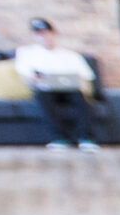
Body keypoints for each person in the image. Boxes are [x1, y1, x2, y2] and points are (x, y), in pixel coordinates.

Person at [13, 18, 99, 151]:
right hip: (45, 90)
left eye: (46, 33)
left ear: (54, 34)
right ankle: (59, 138)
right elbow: (25, 76)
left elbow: (86, 78)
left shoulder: (71, 55)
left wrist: (80, 85)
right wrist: (36, 80)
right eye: (39, 34)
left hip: (70, 90)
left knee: (79, 96)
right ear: (35, 36)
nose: (44, 37)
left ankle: (85, 138)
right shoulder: (27, 53)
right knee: (43, 96)